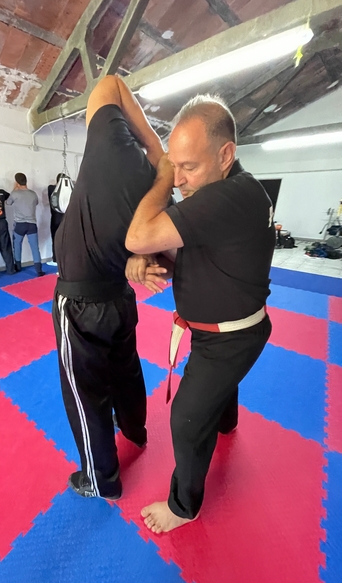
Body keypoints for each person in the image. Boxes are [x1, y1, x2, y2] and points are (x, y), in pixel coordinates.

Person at [126, 94, 275, 533]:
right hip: (223, 330)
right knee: (217, 393)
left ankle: (183, 506)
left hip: (229, 340)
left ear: (225, 155)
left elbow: (138, 235)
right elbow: (202, 254)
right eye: (174, 166)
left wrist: (159, 175)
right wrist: (152, 257)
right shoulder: (232, 193)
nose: (179, 180)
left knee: (186, 419)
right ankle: (226, 422)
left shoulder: (230, 197)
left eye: (187, 166)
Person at [52, 75, 164, 501]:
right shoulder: (158, 197)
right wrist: (162, 171)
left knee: (85, 393)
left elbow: (110, 84)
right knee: (126, 369)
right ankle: (135, 431)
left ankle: (101, 480)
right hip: (120, 298)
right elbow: (164, 265)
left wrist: (154, 146)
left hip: (79, 302)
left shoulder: (113, 145)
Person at [6, 173, 44, 277]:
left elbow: (8, 203)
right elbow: (36, 203)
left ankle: (18, 267)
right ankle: (39, 270)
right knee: (35, 248)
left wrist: (14, 189)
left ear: (17, 182)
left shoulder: (14, 194)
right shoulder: (33, 194)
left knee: (17, 245)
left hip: (20, 224)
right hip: (32, 224)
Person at [47, 173, 66, 266]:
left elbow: (51, 187)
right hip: (65, 219)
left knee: (55, 238)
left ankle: (55, 259)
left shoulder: (52, 189)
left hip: (56, 219)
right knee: (65, 239)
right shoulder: (67, 191)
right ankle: (65, 259)